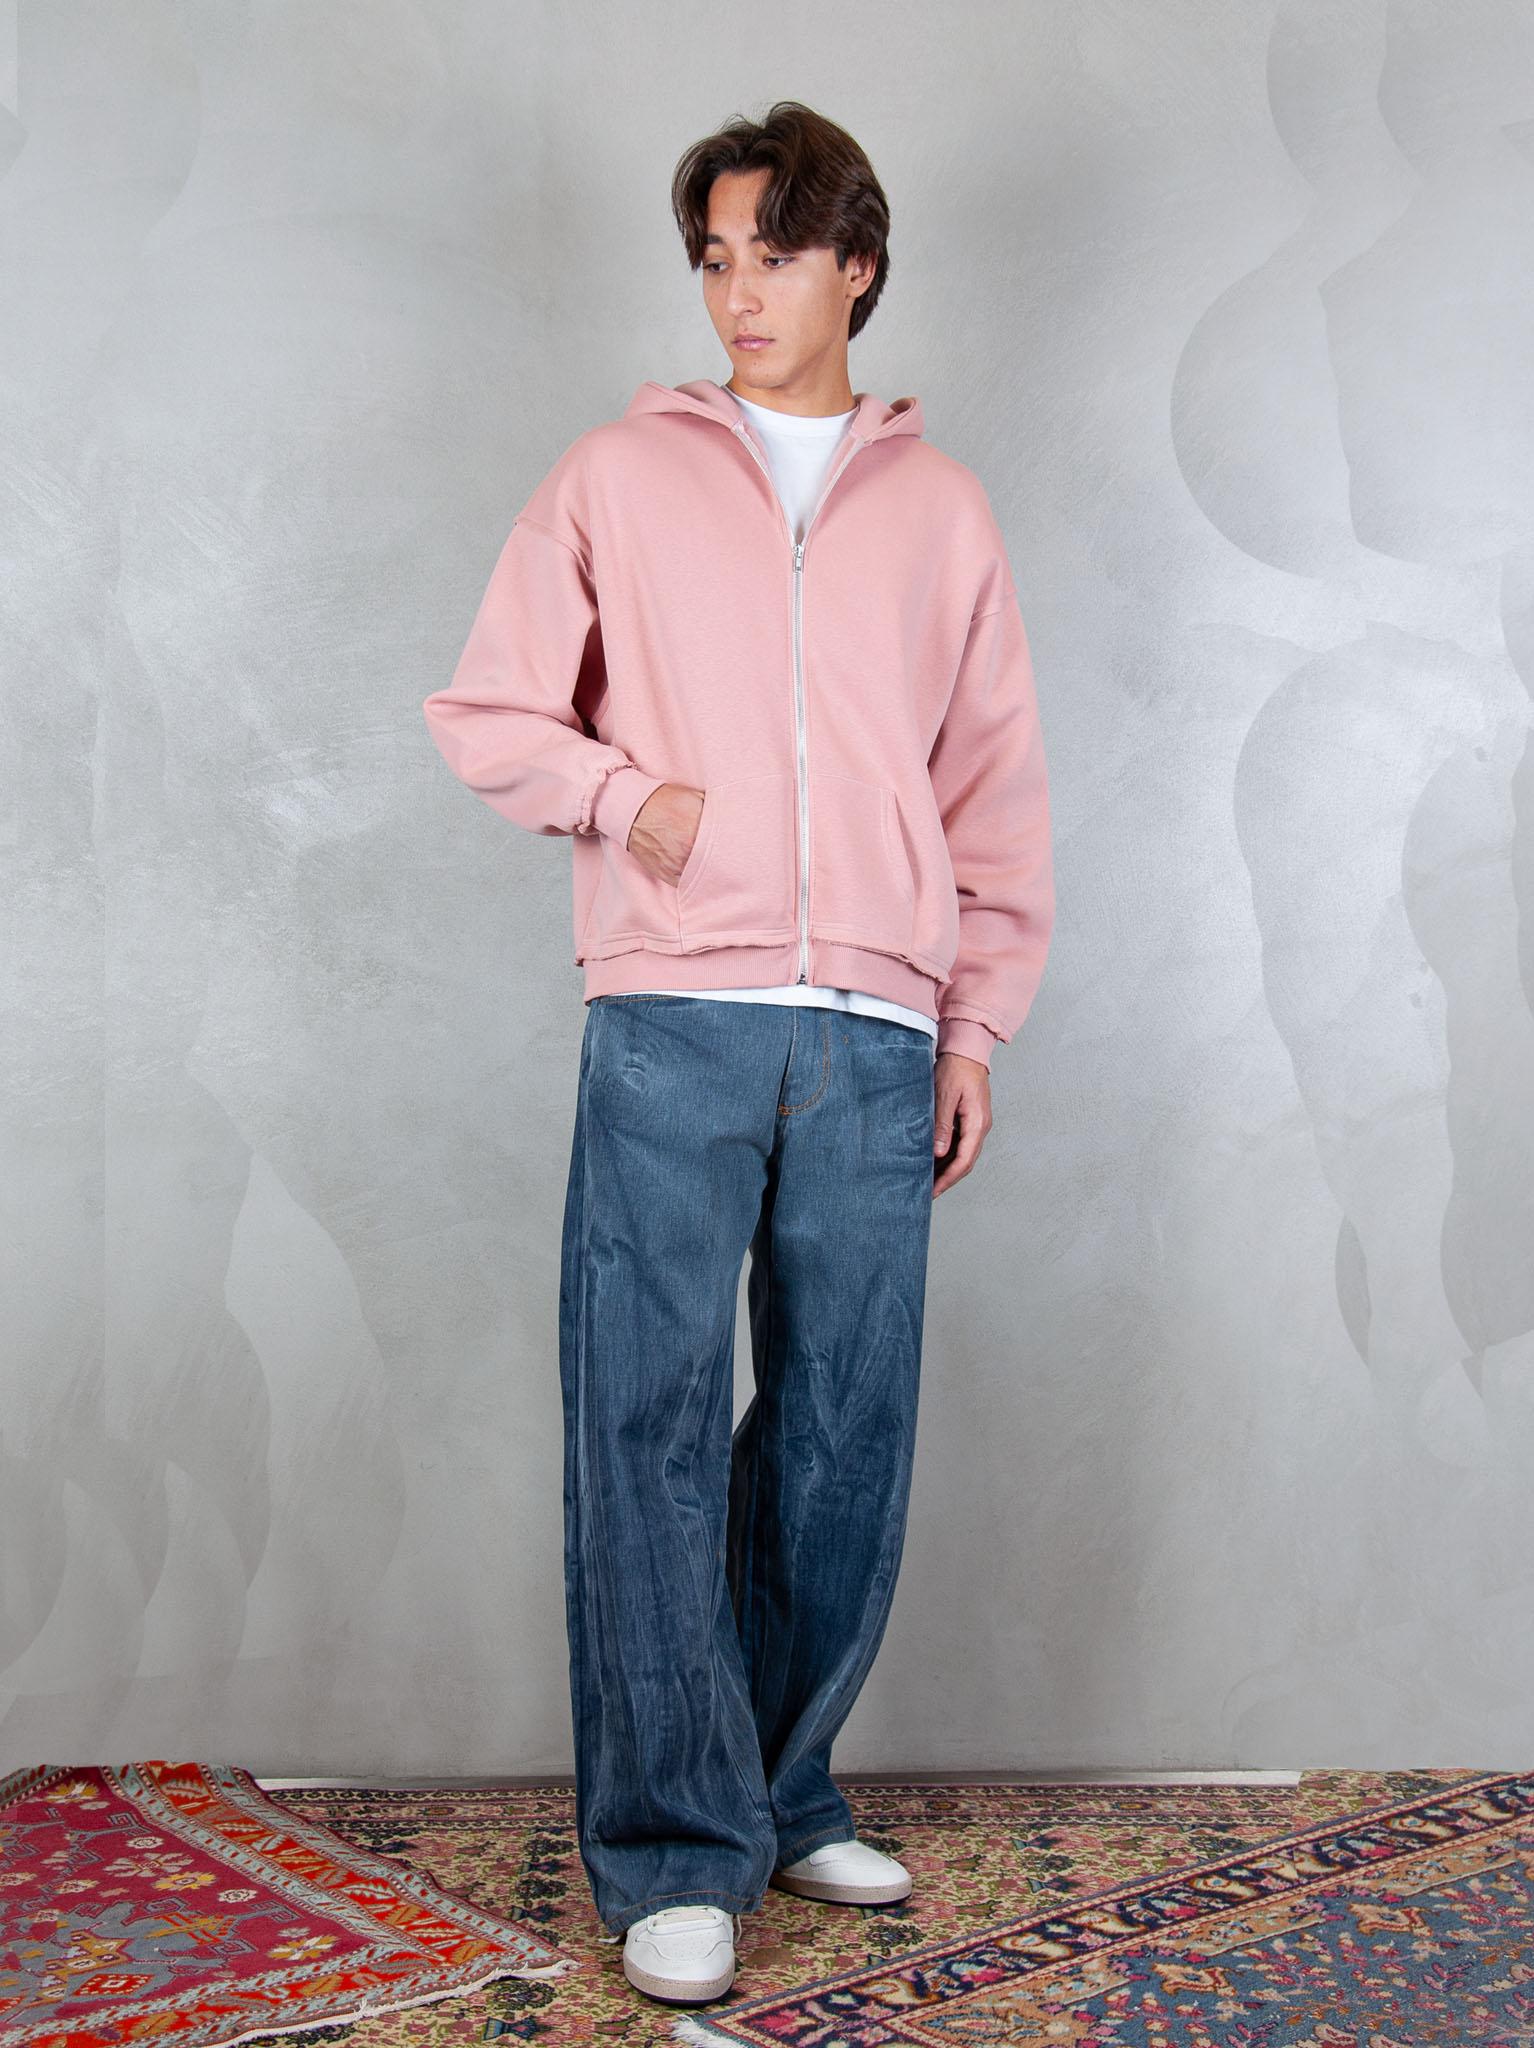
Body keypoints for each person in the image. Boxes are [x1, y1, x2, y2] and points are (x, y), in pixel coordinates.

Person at [422, 99, 1054, 2008]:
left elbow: (991, 788)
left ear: (854, 263)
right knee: (649, 1426)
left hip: (873, 1028)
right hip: (672, 1017)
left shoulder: (940, 513)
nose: (737, 291)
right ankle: (673, 1852)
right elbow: (487, 709)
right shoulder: (616, 474)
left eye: (772, 253)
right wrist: (628, 799)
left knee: (843, 1434)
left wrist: (974, 1023)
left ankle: (777, 1791)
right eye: (713, 256)